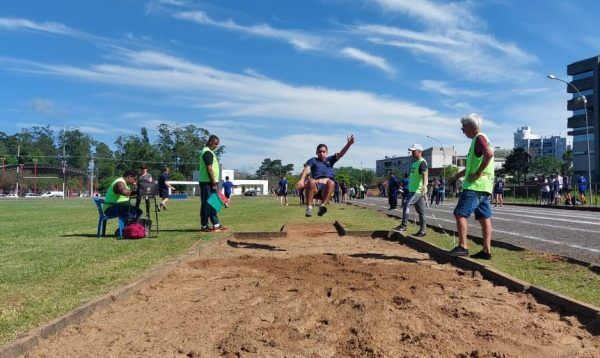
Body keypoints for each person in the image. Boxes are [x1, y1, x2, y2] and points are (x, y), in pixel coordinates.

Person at [449, 113, 494, 260]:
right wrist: (456, 176)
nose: (463, 131)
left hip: (475, 186)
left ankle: (463, 246)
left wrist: (478, 172)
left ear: (470, 126)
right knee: (484, 218)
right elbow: (471, 167)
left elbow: (489, 154)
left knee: (460, 213)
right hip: (485, 187)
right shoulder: (480, 139)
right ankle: (486, 251)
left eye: (463, 128)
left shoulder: (479, 138)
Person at [296, 135, 355, 217]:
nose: (321, 153)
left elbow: (341, 154)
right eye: (319, 152)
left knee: (331, 182)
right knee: (311, 181)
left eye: (323, 152)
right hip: (316, 187)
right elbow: (307, 169)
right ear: (316, 152)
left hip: (327, 188)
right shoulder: (313, 160)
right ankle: (309, 208)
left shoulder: (330, 160)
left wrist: (349, 144)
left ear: (327, 153)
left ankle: (322, 206)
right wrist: (302, 180)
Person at [391, 144, 428, 237]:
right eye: (411, 151)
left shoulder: (422, 162)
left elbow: (424, 175)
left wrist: (424, 186)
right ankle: (423, 231)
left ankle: (403, 225)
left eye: (413, 151)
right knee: (421, 212)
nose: (412, 153)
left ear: (419, 151)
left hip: (417, 191)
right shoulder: (414, 163)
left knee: (406, 204)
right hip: (413, 190)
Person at [198, 135, 227, 232]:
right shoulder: (207, 152)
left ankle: (216, 224)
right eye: (215, 144)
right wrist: (213, 181)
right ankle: (204, 226)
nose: (216, 146)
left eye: (217, 144)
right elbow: (209, 168)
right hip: (208, 182)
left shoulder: (210, 152)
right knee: (206, 204)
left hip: (211, 182)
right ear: (210, 142)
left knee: (214, 204)